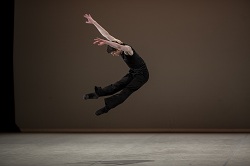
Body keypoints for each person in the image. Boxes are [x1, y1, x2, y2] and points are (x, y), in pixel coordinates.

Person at [83, 14, 149, 116]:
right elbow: (106, 34)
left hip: (142, 75)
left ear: (117, 49)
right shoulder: (117, 42)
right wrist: (94, 22)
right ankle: (97, 94)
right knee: (117, 85)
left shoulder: (127, 49)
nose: (114, 55)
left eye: (114, 53)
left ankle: (107, 107)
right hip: (133, 72)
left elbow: (118, 46)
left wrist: (106, 42)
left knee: (126, 91)